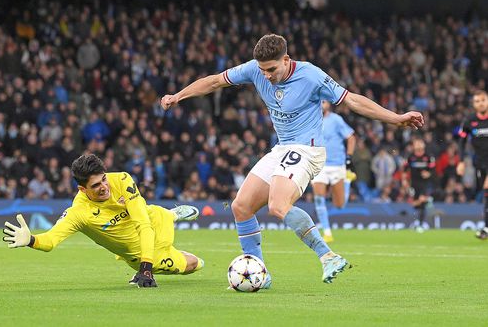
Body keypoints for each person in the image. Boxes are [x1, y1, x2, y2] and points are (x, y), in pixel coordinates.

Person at [161, 34, 423, 286]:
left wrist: (396, 117)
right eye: (263, 70)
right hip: (282, 149)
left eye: (271, 69)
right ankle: (259, 275)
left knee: (277, 204)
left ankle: (328, 256)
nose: (266, 75)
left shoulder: (311, 76)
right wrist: (178, 96)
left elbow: (353, 100)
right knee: (241, 206)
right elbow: (215, 81)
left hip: (308, 150)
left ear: (286, 59)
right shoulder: (255, 69)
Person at [3, 154, 203, 287]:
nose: (104, 187)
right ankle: (171, 241)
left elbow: (143, 225)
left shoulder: (122, 179)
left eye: (104, 179)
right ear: (83, 189)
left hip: (151, 222)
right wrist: (31, 240)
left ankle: (173, 214)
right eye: (96, 185)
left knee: (152, 214)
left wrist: (146, 270)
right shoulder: (79, 213)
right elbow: (50, 241)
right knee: (195, 264)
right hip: (138, 251)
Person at [311, 101, 356, 243]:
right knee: (319, 197)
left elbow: (351, 137)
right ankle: (327, 232)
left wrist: (348, 157)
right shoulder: (310, 119)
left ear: (329, 104)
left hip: (337, 164)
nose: (321, 104)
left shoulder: (336, 120)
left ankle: (347, 180)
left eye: (323, 102)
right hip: (319, 164)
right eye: (319, 102)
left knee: (340, 205)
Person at [457, 90, 488, 239]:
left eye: (483, 100)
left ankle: (486, 228)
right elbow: (461, 142)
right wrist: (461, 161)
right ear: (474, 104)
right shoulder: (470, 120)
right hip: (480, 163)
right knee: (485, 194)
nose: (480, 103)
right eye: (477, 101)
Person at [404, 137, 436, 233]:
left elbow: (434, 171)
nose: (418, 145)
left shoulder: (428, 157)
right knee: (415, 205)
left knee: (421, 201)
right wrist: (404, 181)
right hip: (414, 184)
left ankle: (420, 225)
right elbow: (405, 170)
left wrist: (428, 173)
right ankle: (427, 202)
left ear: (423, 145)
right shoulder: (410, 157)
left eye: (419, 143)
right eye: (416, 143)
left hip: (425, 184)